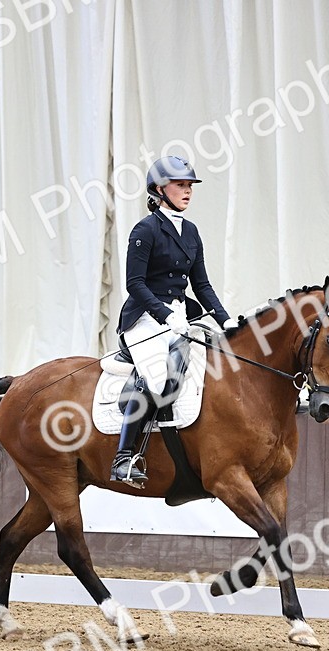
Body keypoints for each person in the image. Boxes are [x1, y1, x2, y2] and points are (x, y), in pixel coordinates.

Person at [110, 155, 231, 487]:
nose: (188, 191)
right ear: (160, 190)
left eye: (190, 186)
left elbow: (202, 285)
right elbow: (134, 283)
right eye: (181, 185)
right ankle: (122, 459)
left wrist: (227, 321)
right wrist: (164, 315)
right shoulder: (145, 230)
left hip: (179, 317)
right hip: (144, 320)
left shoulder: (191, 232)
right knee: (157, 376)